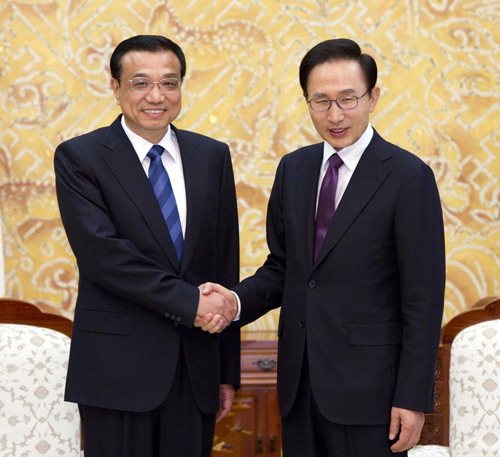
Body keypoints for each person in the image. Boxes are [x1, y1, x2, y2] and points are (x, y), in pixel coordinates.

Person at [198, 38, 445, 456]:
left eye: (348, 99)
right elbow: (283, 270)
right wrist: (234, 302)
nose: (335, 115)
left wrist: (412, 397)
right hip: (300, 387)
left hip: (373, 397)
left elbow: (423, 299)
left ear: (373, 97)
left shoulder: (408, 176)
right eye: (321, 101)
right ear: (307, 102)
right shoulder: (293, 169)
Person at [54, 35, 240, 457]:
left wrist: (226, 371)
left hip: (195, 371)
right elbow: (105, 257)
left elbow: (224, 262)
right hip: (115, 371)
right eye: (140, 83)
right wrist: (192, 302)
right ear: (115, 88)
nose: (156, 96)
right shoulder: (80, 157)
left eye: (170, 83)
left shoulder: (211, 156)